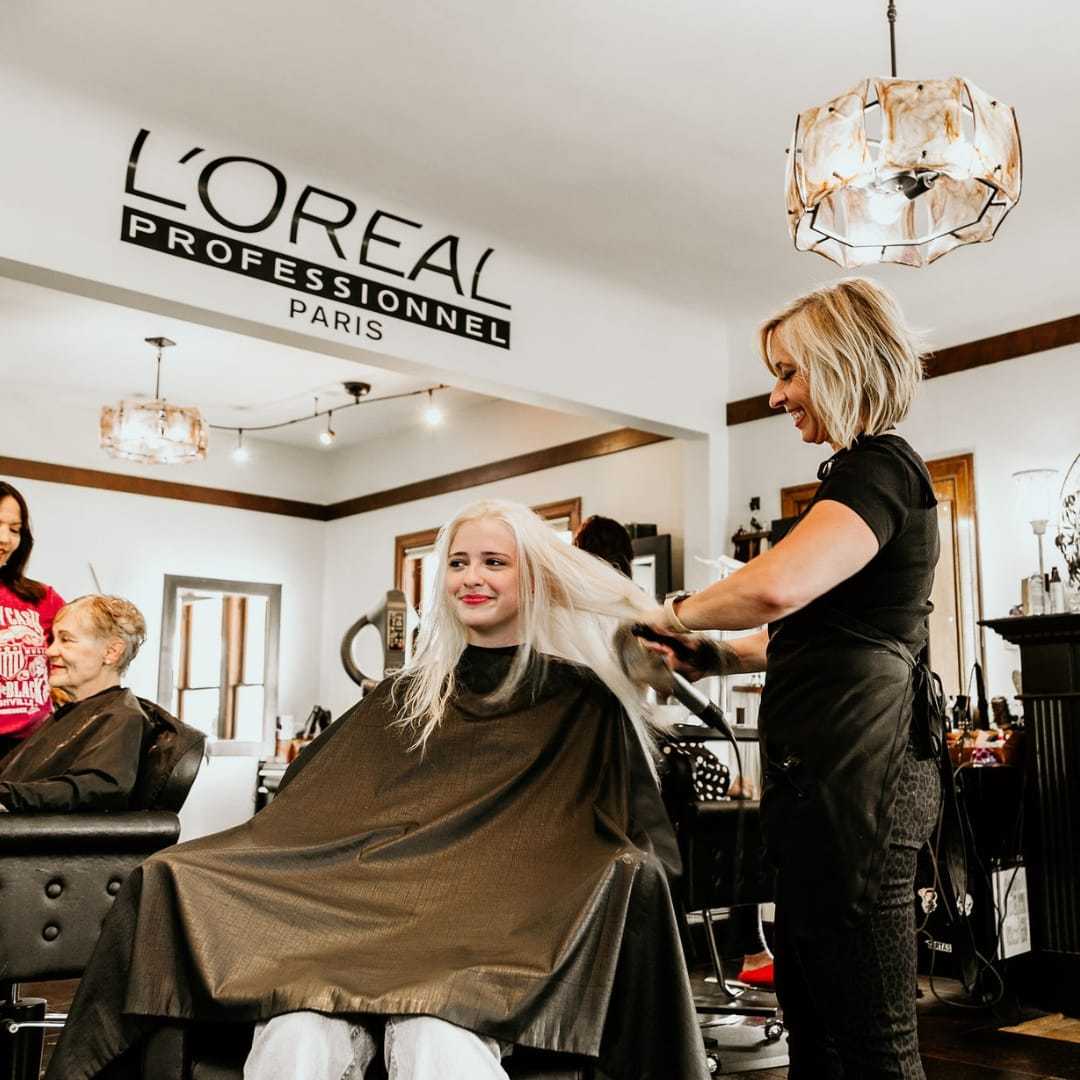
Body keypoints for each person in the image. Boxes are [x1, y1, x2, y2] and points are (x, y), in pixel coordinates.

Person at [46, 498, 710, 1080]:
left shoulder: (581, 701)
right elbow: (304, 820)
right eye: (458, 563)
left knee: (435, 1038)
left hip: (490, 945)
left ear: (533, 578)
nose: (471, 577)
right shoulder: (403, 697)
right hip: (353, 933)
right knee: (295, 1034)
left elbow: (633, 842)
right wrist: (184, 872)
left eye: (494, 563)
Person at [644, 278, 941, 1079]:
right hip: (826, 785)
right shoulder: (856, 476)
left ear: (843, 363)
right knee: (817, 1031)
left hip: (866, 789)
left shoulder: (881, 469)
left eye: (788, 372)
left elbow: (777, 588)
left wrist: (671, 611)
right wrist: (715, 656)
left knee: (873, 1044)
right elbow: (819, 635)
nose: (776, 396)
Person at [573, 513, 774, 986]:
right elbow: (663, 687)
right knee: (738, 797)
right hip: (633, 754)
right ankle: (750, 944)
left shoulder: (592, 612)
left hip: (620, 755)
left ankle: (745, 943)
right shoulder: (635, 610)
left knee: (726, 804)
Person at [0, 594, 154, 812]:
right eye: (53, 640)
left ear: (111, 652)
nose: (49, 651)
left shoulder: (122, 717)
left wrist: (9, 796)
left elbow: (99, 788)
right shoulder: (70, 713)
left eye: (66, 640)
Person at [0, 480, 65, 758]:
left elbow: (77, 654)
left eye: (15, 529)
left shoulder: (42, 598)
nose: (5, 539)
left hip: (32, 749)